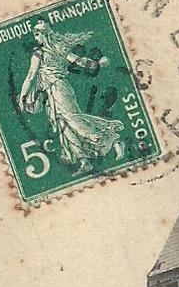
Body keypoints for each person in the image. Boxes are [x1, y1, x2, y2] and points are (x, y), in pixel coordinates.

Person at [18, 20, 125, 175]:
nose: (36, 38)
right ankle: (84, 160)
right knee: (63, 124)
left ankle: (110, 138)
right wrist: (98, 64)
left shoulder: (39, 54)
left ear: (44, 35)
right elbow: (81, 62)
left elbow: (30, 76)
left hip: (58, 88)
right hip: (53, 91)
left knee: (72, 120)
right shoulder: (60, 49)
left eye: (37, 34)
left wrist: (22, 96)